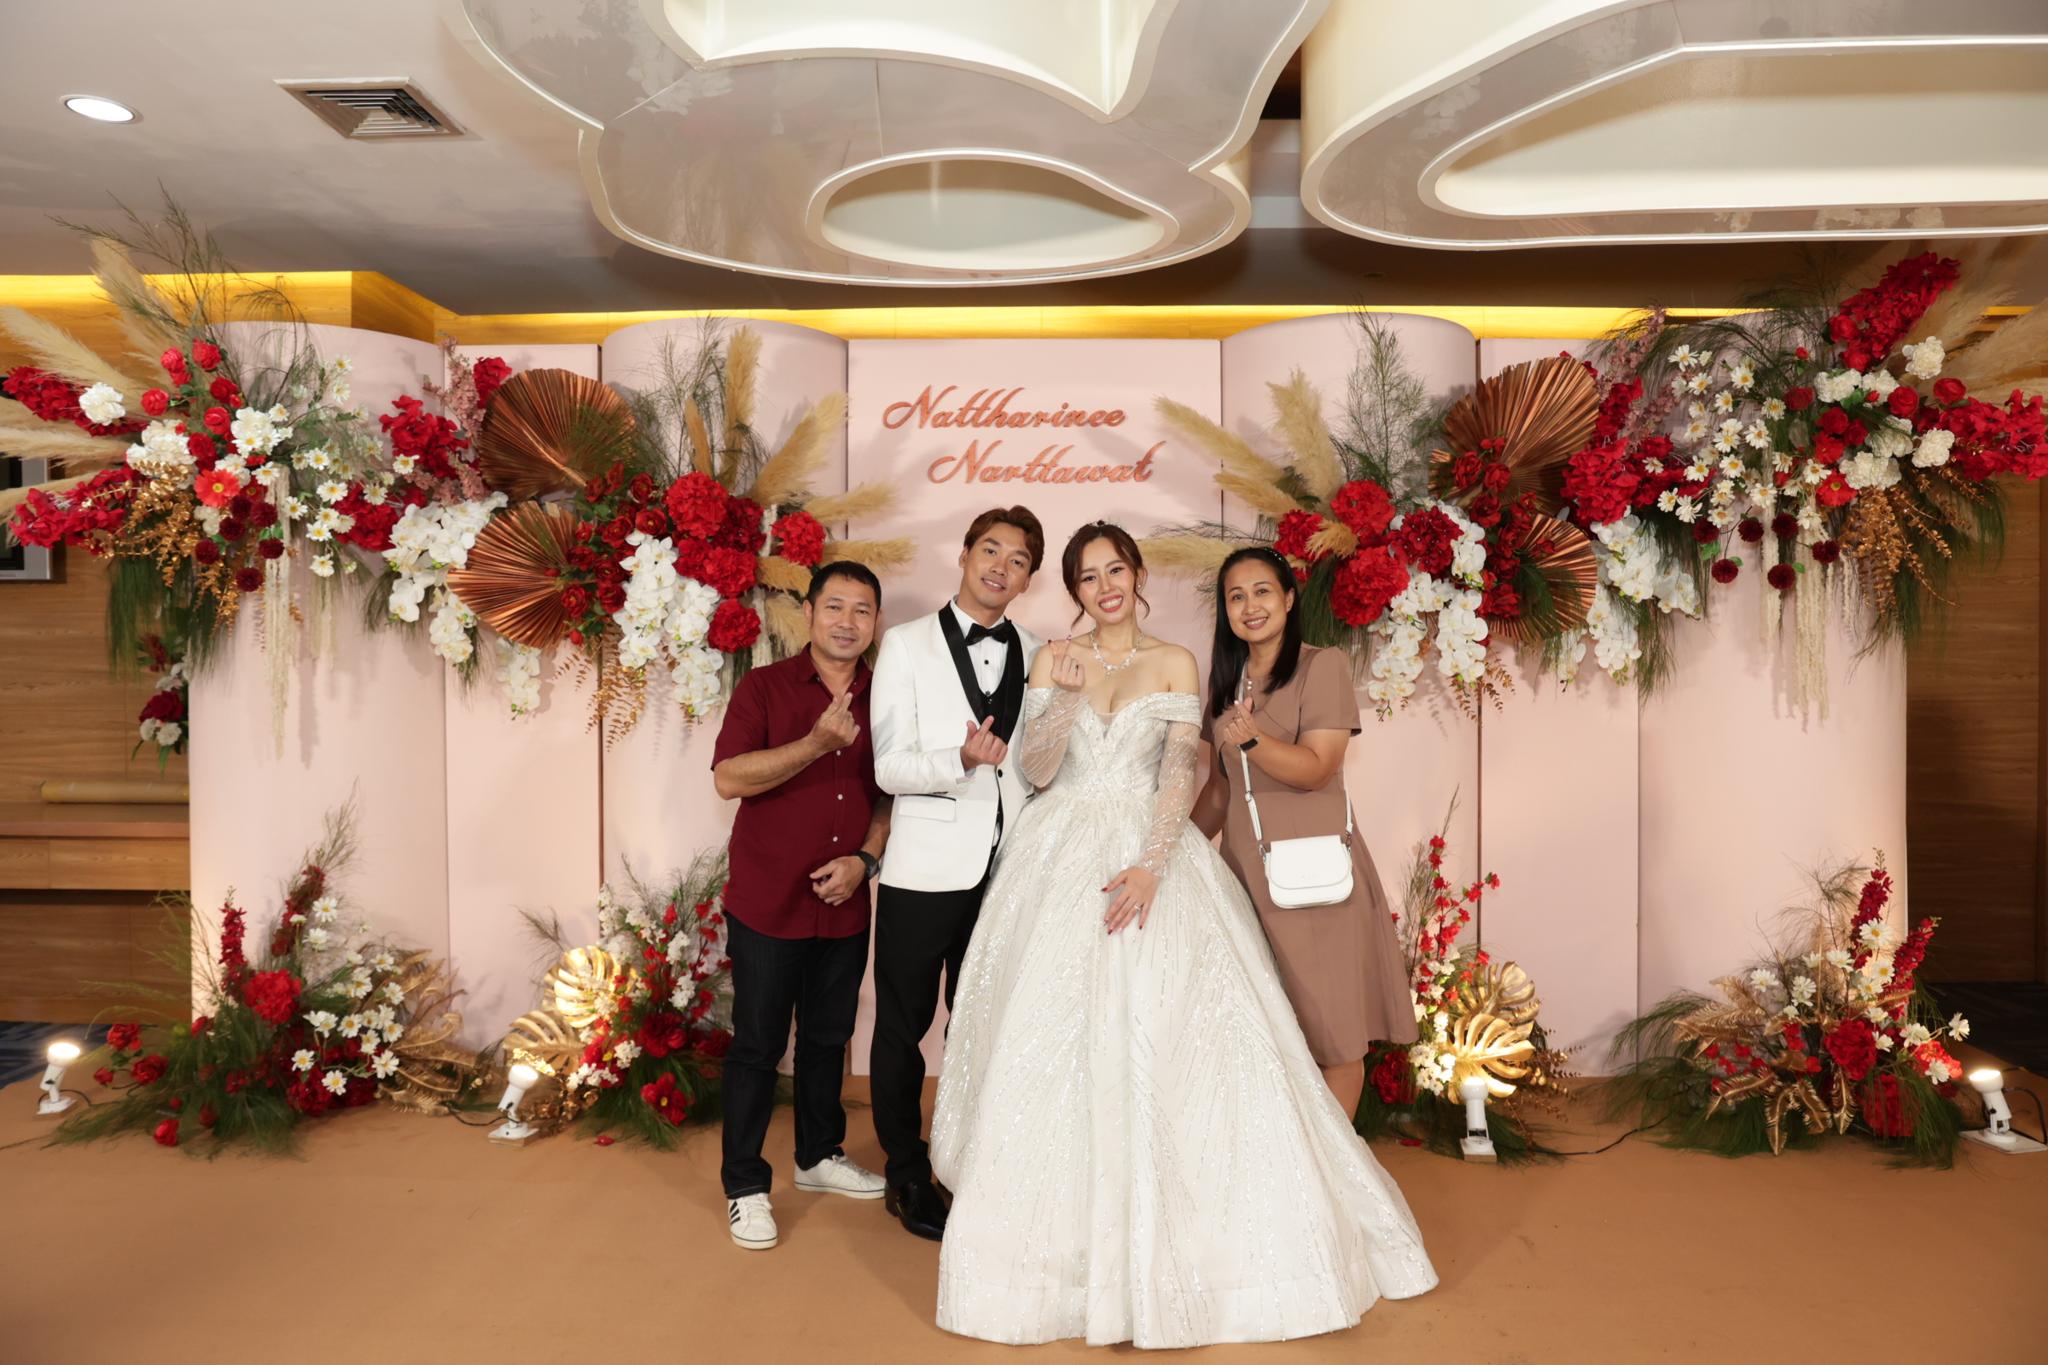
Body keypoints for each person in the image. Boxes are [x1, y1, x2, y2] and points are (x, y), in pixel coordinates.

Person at [930, 523, 1436, 1349]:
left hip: (1149, 850)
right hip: (1058, 855)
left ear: (1138, 575)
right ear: (1074, 590)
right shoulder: (1056, 657)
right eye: (1087, 576)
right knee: (1050, 1034)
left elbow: (1178, 774)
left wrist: (1152, 864)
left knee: (1179, 1034)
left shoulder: (1177, 662)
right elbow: (1038, 769)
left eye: (1116, 569)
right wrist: (1060, 695)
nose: (1105, 586)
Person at [867, 505, 1045, 1241]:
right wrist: (959, 760)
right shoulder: (905, 645)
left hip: (1008, 870)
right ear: (966, 555)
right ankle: (906, 1170)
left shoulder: (1039, 652)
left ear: (1029, 579)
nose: (1001, 566)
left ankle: (975, 1160)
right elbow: (888, 766)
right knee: (902, 1028)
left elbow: (1039, 764)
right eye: (991, 550)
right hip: (923, 869)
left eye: (1018, 560)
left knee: (984, 1027)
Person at [1192, 546, 1418, 1117]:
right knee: (1267, 1034)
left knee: (1332, 1035)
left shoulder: (1322, 666)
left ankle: (1334, 1163)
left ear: (1289, 599)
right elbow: (1219, 790)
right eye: (1236, 596)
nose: (1250, 606)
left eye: (1262, 591)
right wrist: (1175, 852)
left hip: (1312, 882)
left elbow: (1318, 766)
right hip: (1247, 882)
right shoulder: (1225, 684)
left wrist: (1251, 739)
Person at [709, 562, 891, 1252]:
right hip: (767, 900)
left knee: (827, 1037)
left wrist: (865, 860)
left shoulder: (887, 695)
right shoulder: (764, 687)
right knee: (758, 1045)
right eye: (834, 606)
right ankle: (745, 1185)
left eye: (862, 610)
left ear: (875, 622)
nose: (847, 621)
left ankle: (817, 1155)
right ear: (809, 613)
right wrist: (817, 743)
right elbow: (729, 777)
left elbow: (890, 793)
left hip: (845, 899)